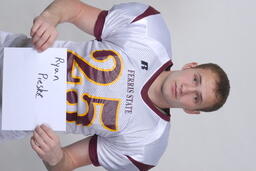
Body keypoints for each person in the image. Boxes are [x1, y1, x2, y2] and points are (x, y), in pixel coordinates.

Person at [0, 0, 230, 170]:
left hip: (7, 117)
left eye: (196, 97)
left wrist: (53, 156)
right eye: (195, 80)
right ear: (191, 67)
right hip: (9, 53)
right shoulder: (150, 30)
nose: (186, 89)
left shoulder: (147, 145)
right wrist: (50, 18)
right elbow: (74, 9)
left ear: (192, 110)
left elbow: (66, 163)